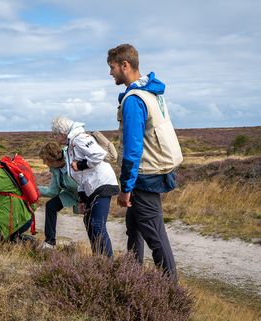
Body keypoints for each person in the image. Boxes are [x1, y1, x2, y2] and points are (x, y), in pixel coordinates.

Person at [107, 43, 183, 279]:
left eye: (112, 68)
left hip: (144, 175)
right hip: (155, 170)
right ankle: (132, 276)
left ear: (125, 65)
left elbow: (132, 149)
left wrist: (126, 189)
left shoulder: (134, 100)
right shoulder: (152, 92)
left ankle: (171, 291)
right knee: (135, 228)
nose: (111, 73)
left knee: (155, 235)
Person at [51, 116, 119, 257]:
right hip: (91, 186)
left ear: (62, 132)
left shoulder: (79, 138)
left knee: (97, 225)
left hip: (102, 183)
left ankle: (109, 265)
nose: (55, 138)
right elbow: (80, 176)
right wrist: (82, 198)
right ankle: (98, 260)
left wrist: (81, 165)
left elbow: (99, 154)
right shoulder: (71, 144)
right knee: (89, 221)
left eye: (55, 134)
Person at [38, 142, 79, 249]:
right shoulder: (56, 169)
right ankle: (49, 243)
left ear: (51, 159)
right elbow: (54, 191)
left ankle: (99, 252)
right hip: (71, 194)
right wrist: (34, 189)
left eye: (44, 160)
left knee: (92, 223)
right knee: (51, 205)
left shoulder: (72, 159)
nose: (43, 163)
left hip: (87, 193)